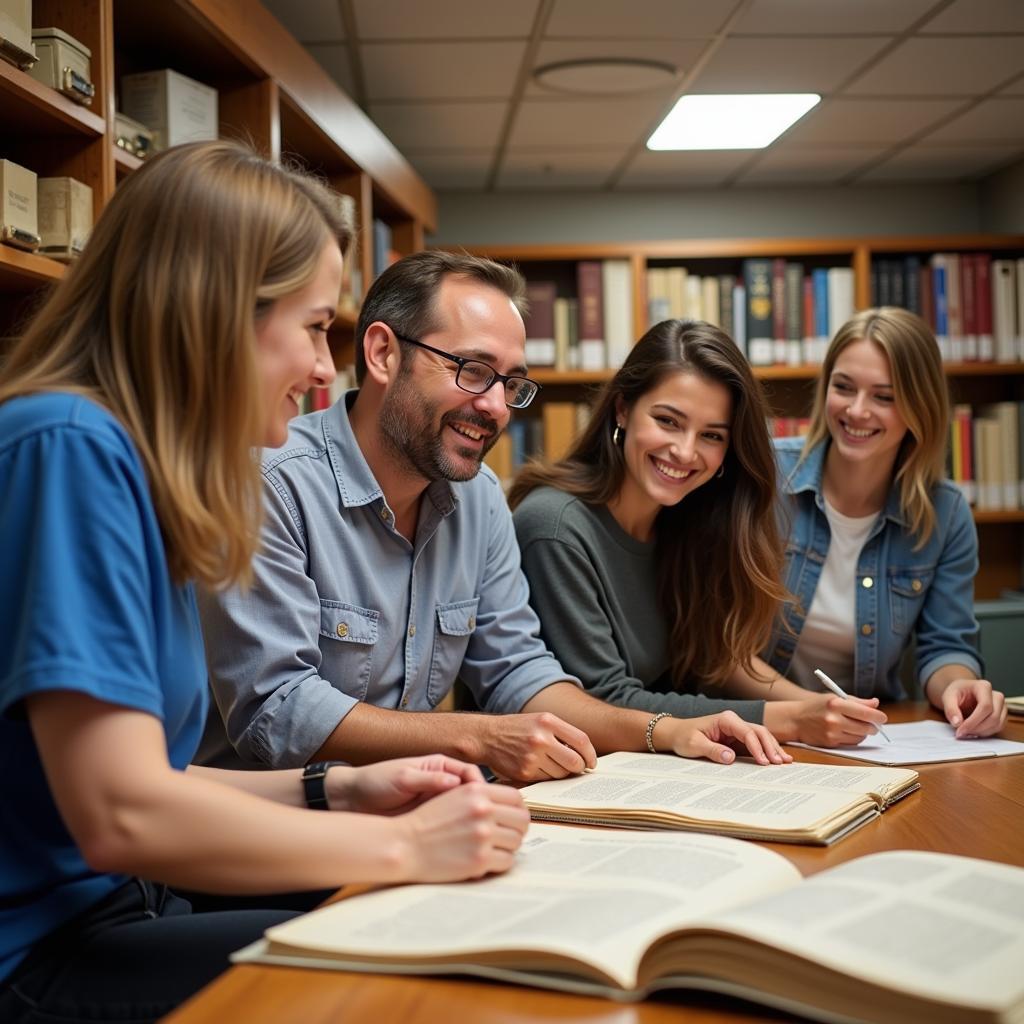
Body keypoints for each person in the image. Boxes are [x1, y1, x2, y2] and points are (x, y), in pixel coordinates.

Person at [0, 141, 530, 1024]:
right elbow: (121, 814)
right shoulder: (68, 447)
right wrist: (404, 846)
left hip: (120, 912)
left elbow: (155, 777)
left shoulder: (132, 471)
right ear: (214, 313)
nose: (327, 371)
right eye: (315, 326)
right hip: (36, 953)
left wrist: (339, 789)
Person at [197, 252, 790, 781]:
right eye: (473, 371)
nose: (495, 406)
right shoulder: (271, 483)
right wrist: (479, 737)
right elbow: (277, 712)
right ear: (382, 353)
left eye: (511, 384)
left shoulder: (478, 495)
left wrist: (663, 731)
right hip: (271, 840)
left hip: (410, 813)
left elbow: (519, 673)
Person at [509, 319, 891, 748]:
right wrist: (793, 719)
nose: (686, 452)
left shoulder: (685, 517)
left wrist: (815, 708)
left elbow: (712, 657)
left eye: (711, 435)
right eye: (668, 421)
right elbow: (605, 701)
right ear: (622, 409)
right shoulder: (555, 527)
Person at [763, 306, 1007, 738]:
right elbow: (718, 646)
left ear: (919, 405)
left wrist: (960, 687)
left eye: (884, 396)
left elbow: (945, 645)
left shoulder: (945, 514)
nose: (857, 411)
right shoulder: (764, 479)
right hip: (761, 724)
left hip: (865, 739)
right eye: (844, 388)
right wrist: (809, 711)